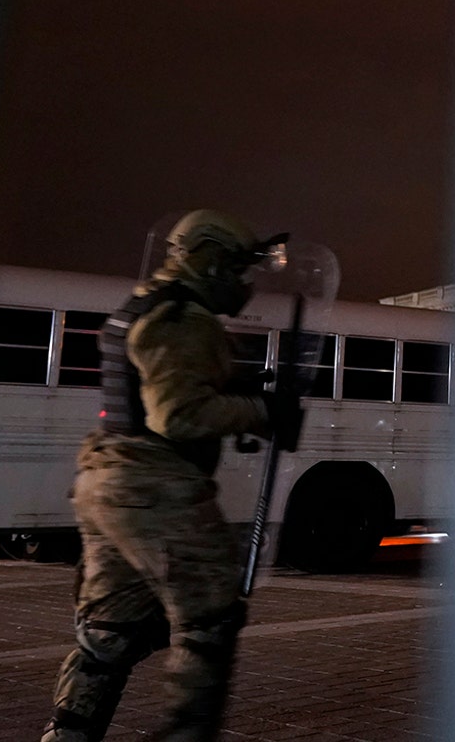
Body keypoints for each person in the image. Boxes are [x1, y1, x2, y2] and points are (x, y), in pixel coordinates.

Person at [41, 210, 301, 742]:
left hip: (107, 482)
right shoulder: (186, 317)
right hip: (155, 487)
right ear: (206, 258)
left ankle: (67, 735)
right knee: (210, 623)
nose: (241, 281)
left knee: (109, 634)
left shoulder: (142, 307)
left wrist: (233, 384)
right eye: (234, 266)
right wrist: (260, 410)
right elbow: (179, 416)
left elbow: (150, 388)